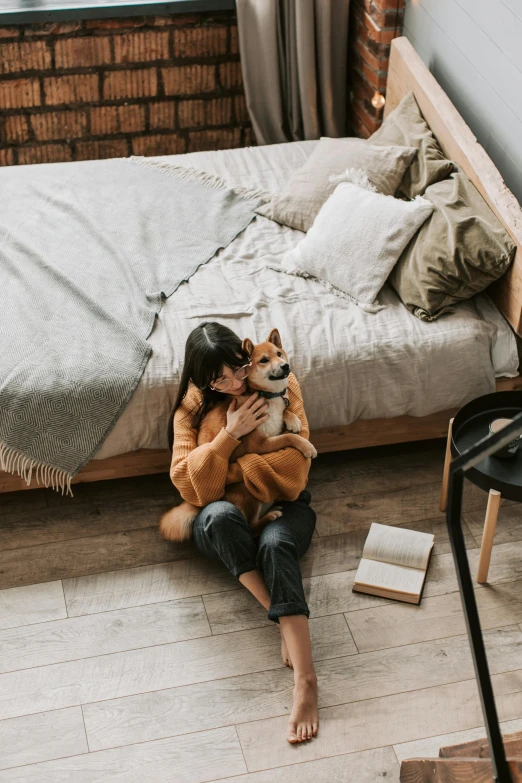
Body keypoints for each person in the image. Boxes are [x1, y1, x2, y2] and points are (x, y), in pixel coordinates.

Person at [168, 321, 318, 744]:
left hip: (284, 504)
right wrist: (229, 436)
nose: (235, 382)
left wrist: (233, 468)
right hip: (226, 515)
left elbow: (295, 473)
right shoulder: (191, 409)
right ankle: (282, 619)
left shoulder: (279, 381)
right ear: (203, 380)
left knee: (274, 543)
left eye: (238, 368)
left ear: (246, 356)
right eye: (221, 378)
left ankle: (306, 682)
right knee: (216, 515)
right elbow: (191, 487)